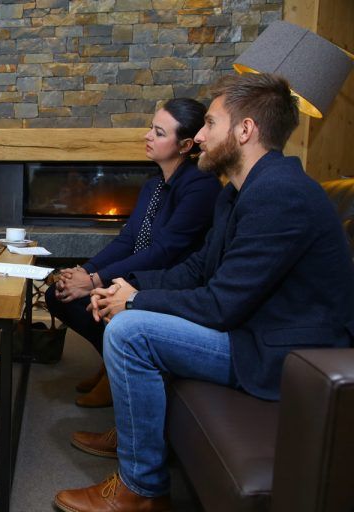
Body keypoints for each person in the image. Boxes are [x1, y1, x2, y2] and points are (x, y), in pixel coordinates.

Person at [54, 73, 354, 512]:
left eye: (210, 124)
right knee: (132, 314)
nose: (198, 136)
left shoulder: (280, 194)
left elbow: (220, 304)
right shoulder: (238, 193)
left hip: (285, 355)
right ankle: (136, 441)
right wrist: (131, 285)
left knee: (131, 332)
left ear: (245, 130)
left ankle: (141, 490)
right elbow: (199, 268)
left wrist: (134, 300)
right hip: (254, 328)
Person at [46, 98, 222, 407]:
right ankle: (111, 361)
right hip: (134, 274)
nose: (147, 136)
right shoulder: (154, 185)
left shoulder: (201, 186)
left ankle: (118, 372)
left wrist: (96, 281)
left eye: (159, 132)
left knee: (86, 299)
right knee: (58, 294)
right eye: (151, 128)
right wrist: (86, 271)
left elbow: (164, 251)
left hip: (165, 282)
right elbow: (127, 240)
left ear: (185, 145)